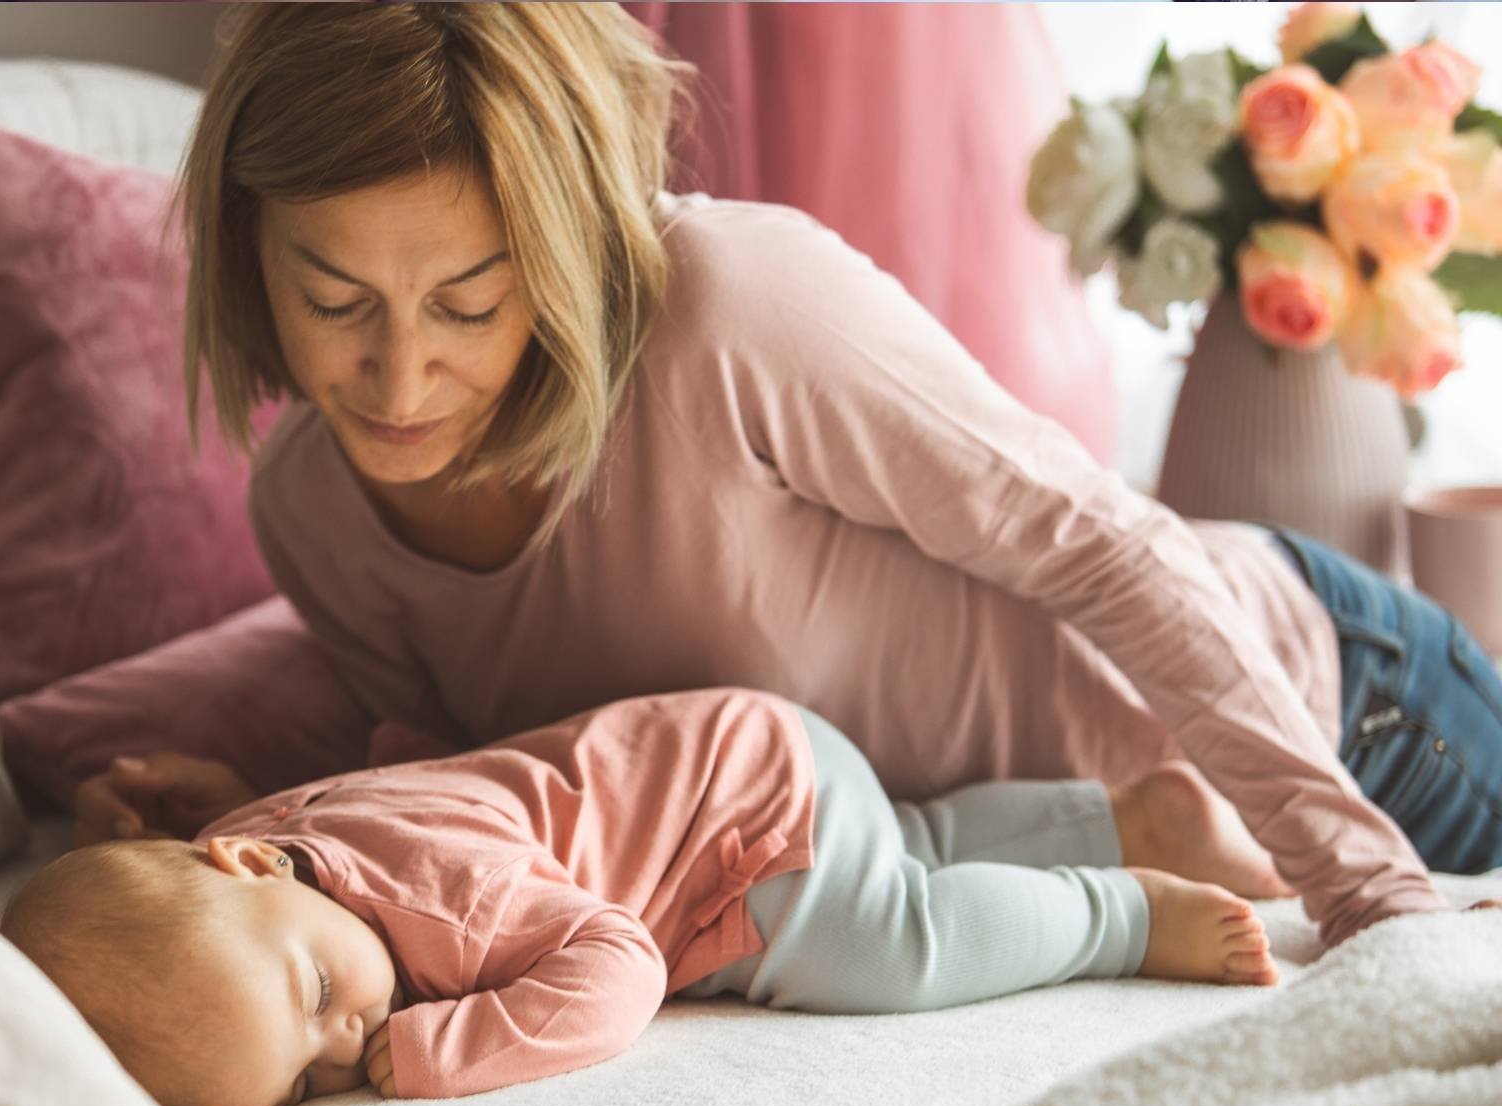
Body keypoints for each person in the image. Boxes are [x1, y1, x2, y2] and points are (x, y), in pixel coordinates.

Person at [160, 3, 1502, 951]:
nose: (397, 384)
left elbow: (1104, 542)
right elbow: (510, 788)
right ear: (250, 254)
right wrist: (262, 816)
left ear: (565, 256)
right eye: (334, 299)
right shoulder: (314, 516)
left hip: (1339, 712)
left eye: (467, 305)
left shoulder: (729, 314)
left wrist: (1373, 898)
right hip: (1071, 848)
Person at [10, 689, 1286, 1106]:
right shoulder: (265, 848)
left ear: (245, 871)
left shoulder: (436, 906)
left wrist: (433, 1047)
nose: (349, 1039)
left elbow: (614, 958)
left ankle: (1123, 909)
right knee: (903, 851)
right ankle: (1119, 815)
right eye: (303, 1083)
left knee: (888, 941)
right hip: (755, 752)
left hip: (734, 830)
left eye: (318, 1000)